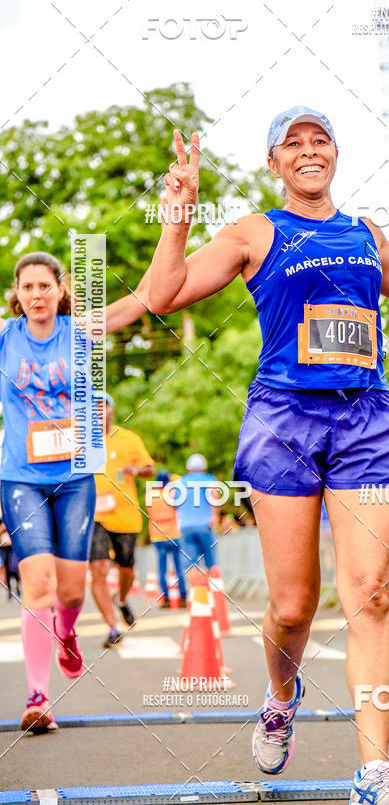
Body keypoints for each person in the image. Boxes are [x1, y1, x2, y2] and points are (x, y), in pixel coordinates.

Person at [147, 109, 389, 805]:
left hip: (366, 417)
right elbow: (162, 296)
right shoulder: (255, 231)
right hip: (284, 421)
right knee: (292, 605)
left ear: (334, 154)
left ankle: (375, 771)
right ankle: (281, 695)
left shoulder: (365, 232)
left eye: (320, 140)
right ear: (273, 164)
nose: (309, 150)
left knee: (369, 594)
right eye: (293, 144)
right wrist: (178, 216)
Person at [0, 251, 149, 732]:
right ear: (17, 295)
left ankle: (66, 633)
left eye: (46, 286)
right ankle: (38, 697)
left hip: (74, 478)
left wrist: (175, 223)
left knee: (70, 589)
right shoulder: (6, 338)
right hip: (20, 476)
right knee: (38, 583)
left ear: (61, 290)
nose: (37, 295)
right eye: (28, 288)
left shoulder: (81, 332)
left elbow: (146, 298)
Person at [90, 393, 155, 647]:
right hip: (94, 516)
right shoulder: (81, 442)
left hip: (125, 517)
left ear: (112, 410)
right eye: (92, 407)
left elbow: (150, 469)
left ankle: (122, 599)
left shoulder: (129, 439)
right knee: (97, 570)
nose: (97, 411)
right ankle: (112, 628)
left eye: (103, 406)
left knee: (126, 569)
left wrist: (136, 470)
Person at [175, 454, 221, 583]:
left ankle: (197, 597)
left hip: (186, 527)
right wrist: (215, 515)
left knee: (191, 564)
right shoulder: (209, 479)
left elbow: (175, 504)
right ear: (204, 467)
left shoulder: (179, 482)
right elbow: (215, 494)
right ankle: (213, 594)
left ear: (187, 468)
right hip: (205, 525)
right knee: (210, 561)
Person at [147, 470, 187, 608]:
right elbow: (180, 482)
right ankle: (183, 597)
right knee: (179, 568)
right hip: (174, 535)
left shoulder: (150, 495)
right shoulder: (172, 494)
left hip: (158, 537)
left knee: (162, 569)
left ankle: (166, 599)